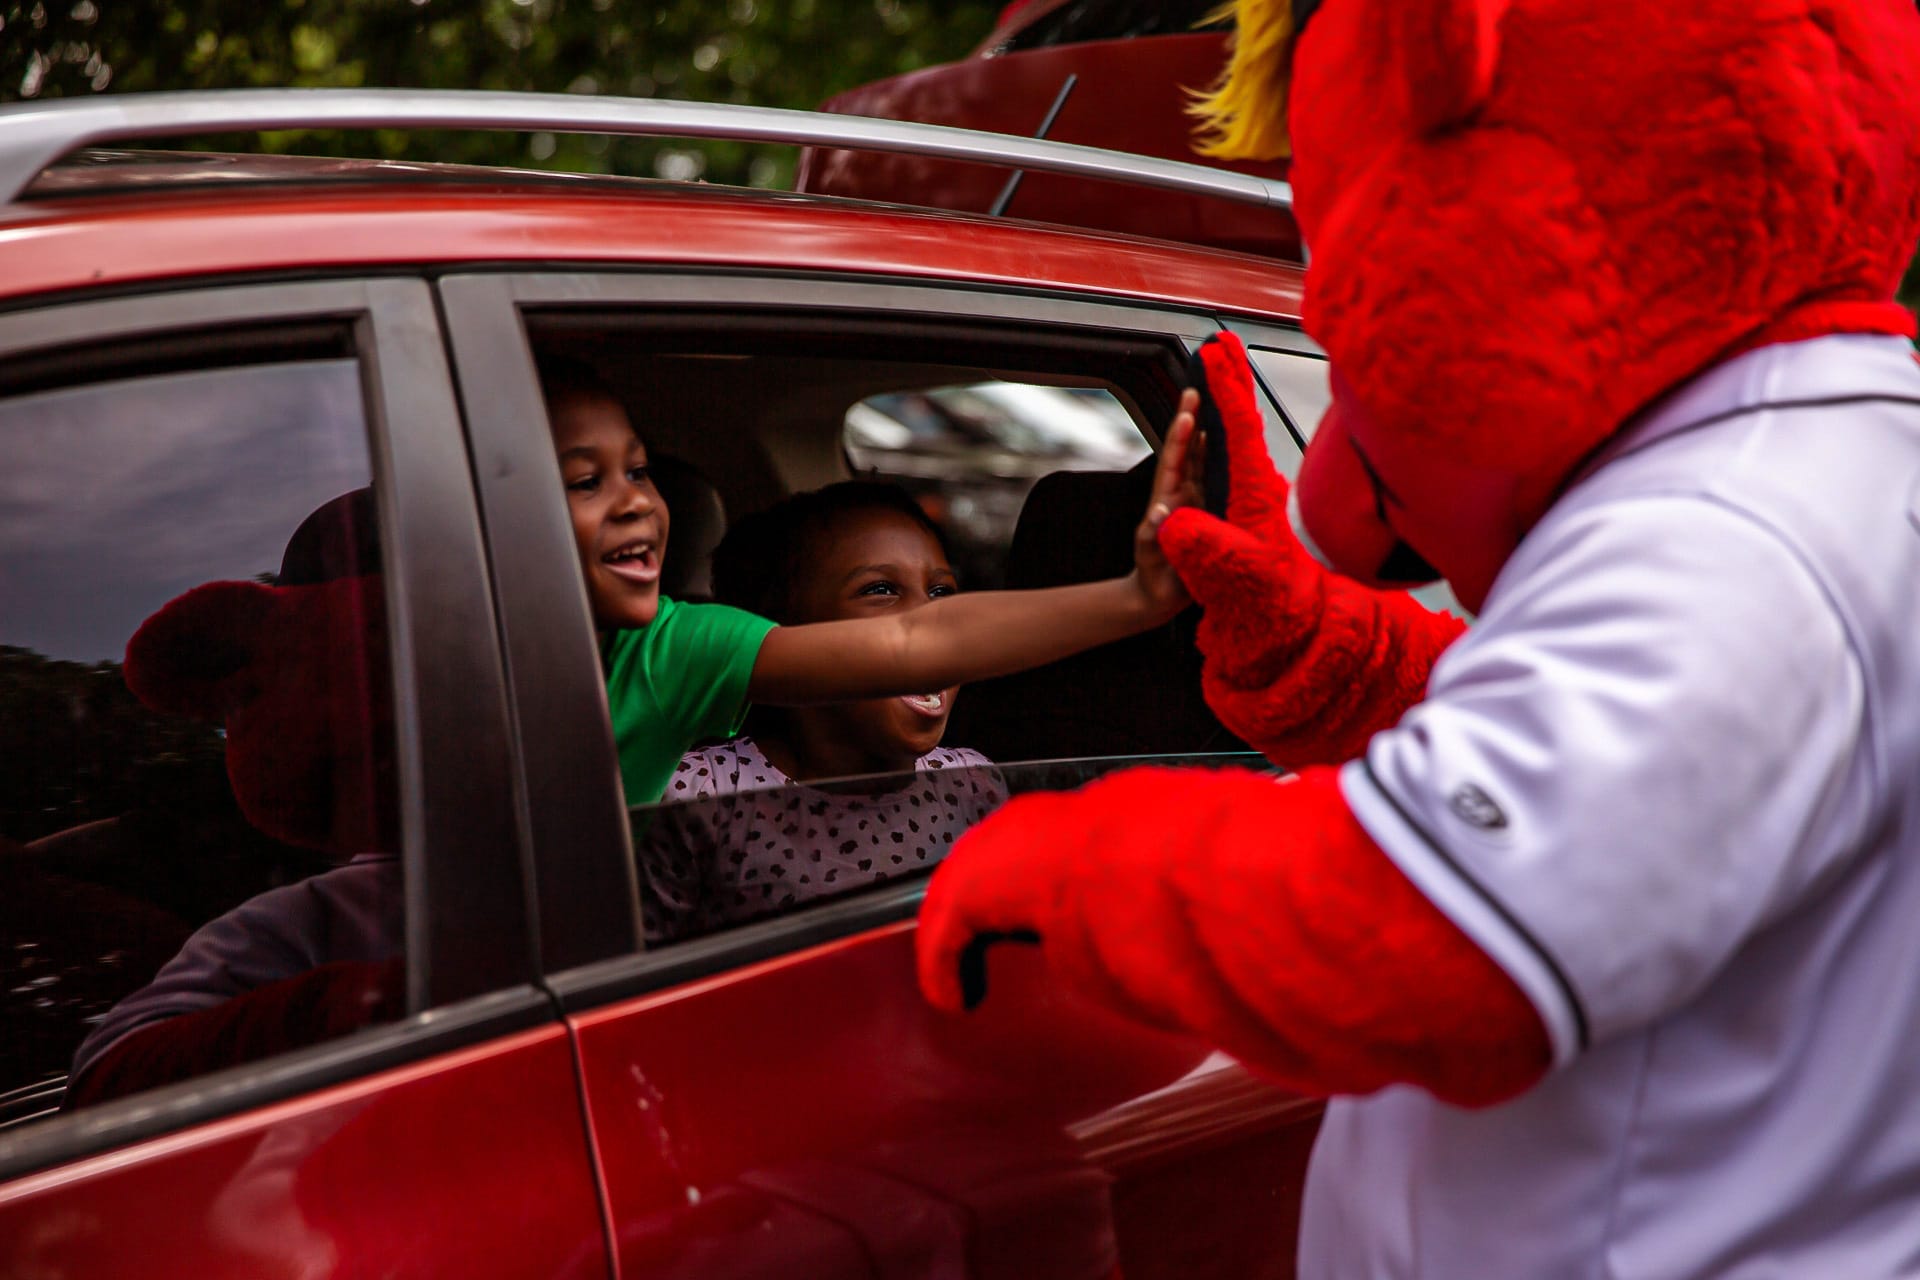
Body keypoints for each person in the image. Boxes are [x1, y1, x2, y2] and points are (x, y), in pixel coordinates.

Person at [543, 359, 1198, 809]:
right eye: (586, 481)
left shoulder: (673, 650)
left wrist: (1135, 598)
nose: (636, 503)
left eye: (639, 471)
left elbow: (913, 642)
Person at [636, 481, 1010, 942]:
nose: (933, 622)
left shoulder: (973, 786)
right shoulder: (703, 798)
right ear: (786, 639)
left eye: (940, 592)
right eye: (881, 590)